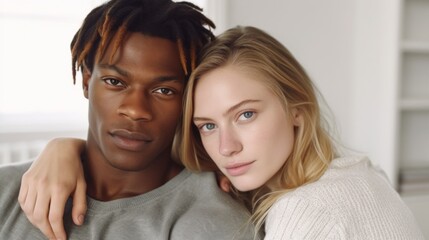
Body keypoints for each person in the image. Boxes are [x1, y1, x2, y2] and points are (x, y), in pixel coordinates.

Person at [18, 26, 424, 239]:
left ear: (297, 110)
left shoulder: (310, 212)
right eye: (208, 126)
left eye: (246, 115)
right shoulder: (351, 173)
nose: (226, 148)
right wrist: (65, 148)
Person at [0, 1, 259, 240]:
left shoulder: (212, 222)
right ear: (87, 80)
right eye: (115, 82)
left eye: (164, 91)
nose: (135, 110)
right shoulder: (7, 190)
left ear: (189, 100)